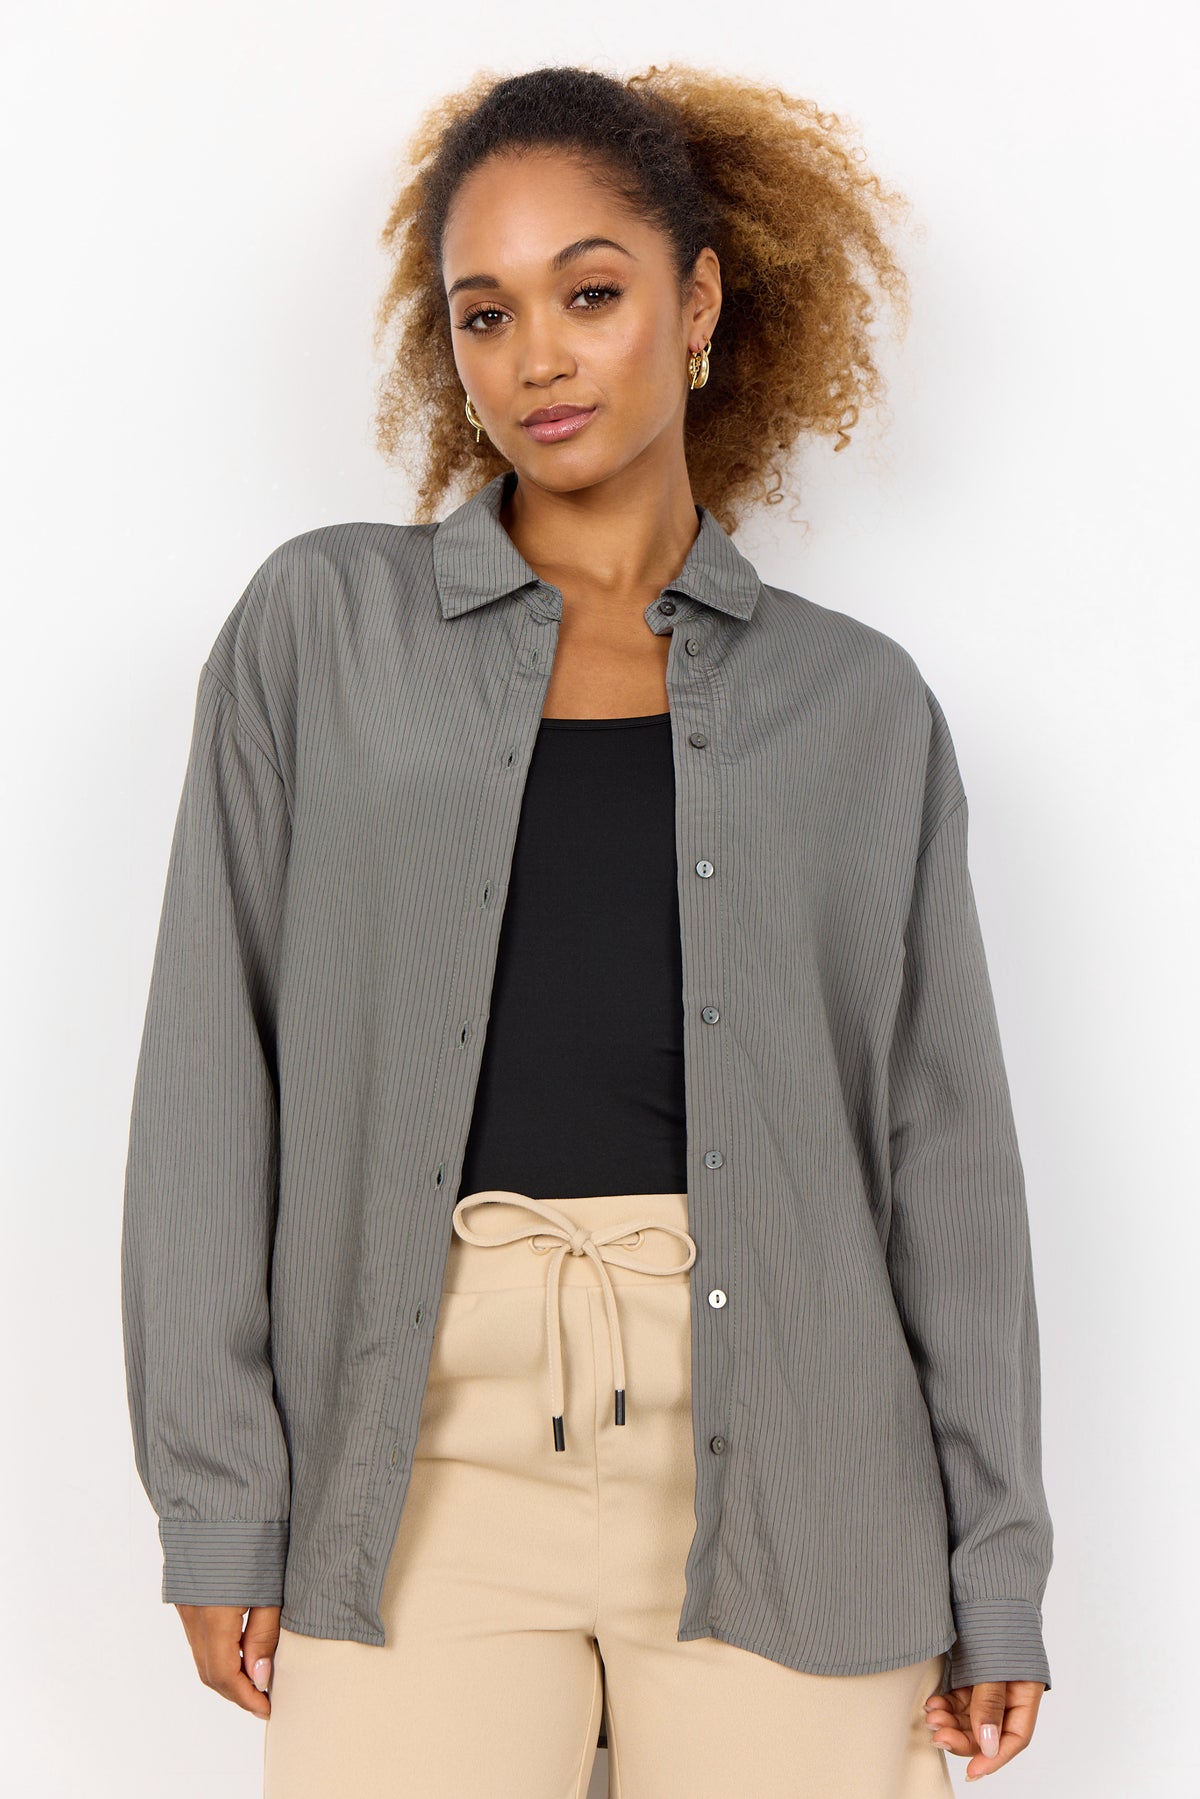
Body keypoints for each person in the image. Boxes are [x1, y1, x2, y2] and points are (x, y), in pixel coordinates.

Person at [120, 62, 1054, 1797]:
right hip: (418, 1461)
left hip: (803, 1472)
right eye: (486, 313)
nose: (536, 357)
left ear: (696, 304)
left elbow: (948, 1162)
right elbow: (205, 1081)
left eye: (592, 293)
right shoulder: (322, 632)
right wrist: (219, 1502)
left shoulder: (858, 707)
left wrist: (996, 1565)